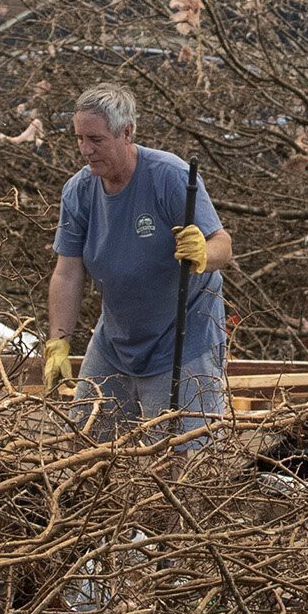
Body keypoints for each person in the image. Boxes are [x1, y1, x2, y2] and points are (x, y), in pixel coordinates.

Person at [49, 82, 232, 440]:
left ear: (127, 132)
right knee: (85, 443)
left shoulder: (170, 177)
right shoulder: (79, 191)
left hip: (182, 337)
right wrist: (58, 339)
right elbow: (68, 272)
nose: (85, 150)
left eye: (96, 140)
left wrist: (202, 254)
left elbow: (222, 244)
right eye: (79, 138)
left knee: (182, 461)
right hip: (116, 339)